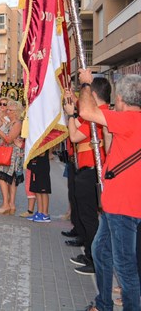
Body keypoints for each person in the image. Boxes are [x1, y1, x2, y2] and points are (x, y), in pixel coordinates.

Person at [76, 70, 141, 311]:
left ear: (122, 98)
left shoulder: (130, 119)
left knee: (125, 268)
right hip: (119, 203)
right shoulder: (131, 123)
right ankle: (103, 303)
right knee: (101, 251)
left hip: (123, 206)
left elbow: (86, 112)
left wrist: (85, 84)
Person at [63, 77, 111, 276]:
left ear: (92, 95)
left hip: (92, 171)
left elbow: (74, 136)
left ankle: (94, 259)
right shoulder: (97, 115)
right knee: (86, 216)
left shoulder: (100, 116)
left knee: (90, 218)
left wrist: (72, 114)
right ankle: (89, 254)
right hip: (87, 169)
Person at [0, 99, 24, 215]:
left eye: (10, 110)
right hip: (10, 152)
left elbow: (9, 139)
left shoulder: (17, 123)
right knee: (11, 180)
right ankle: (11, 205)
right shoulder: (10, 123)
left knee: (1, 177)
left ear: (16, 112)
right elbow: (5, 139)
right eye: (8, 109)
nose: (7, 111)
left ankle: (6, 204)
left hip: (12, 155)